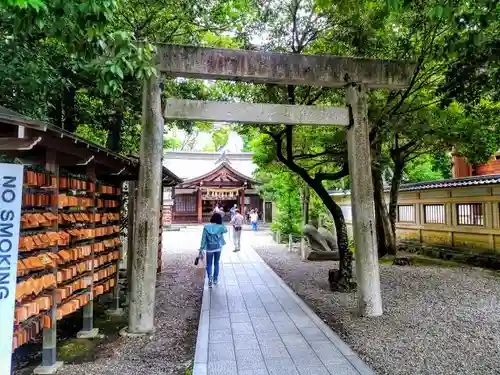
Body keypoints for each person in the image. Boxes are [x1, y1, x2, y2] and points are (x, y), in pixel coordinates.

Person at [199, 212, 227, 288]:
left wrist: (201, 248)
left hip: (209, 248)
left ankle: (210, 278)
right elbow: (225, 230)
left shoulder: (206, 227)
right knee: (216, 263)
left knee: (209, 264)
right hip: (218, 247)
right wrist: (221, 222)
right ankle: (215, 279)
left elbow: (203, 239)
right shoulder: (221, 227)